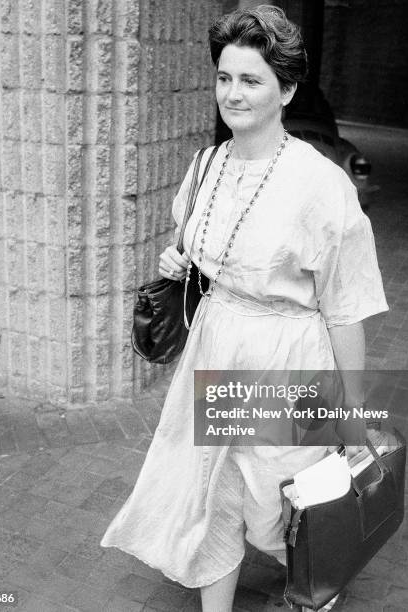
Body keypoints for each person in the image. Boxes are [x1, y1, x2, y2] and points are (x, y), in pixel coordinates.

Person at [101, 6, 389, 611]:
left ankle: (317, 582)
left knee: (281, 503)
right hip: (217, 344)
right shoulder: (206, 165)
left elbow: (345, 308)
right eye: (224, 77)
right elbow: (191, 244)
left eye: (251, 80)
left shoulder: (321, 186)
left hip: (287, 359)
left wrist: (354, 412)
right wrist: (175, 261)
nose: (233, 93)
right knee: (214, 492)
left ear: (285, 90)